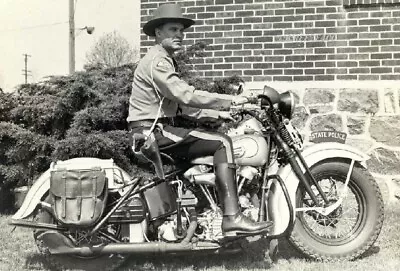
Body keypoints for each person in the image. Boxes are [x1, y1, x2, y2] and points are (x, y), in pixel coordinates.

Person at [127, 3, 272, 237]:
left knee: (205, 155)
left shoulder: (161, 60)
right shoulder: (158, 62)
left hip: (153, 131)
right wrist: (232, 100)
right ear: (158, 33)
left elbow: (183, 107)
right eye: (173, 29)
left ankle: (205, 217)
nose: (180, 35)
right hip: (153, 132)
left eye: (181, 31)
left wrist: (219, 115)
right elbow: (186, 94)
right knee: (223, 143)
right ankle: (232, 217)